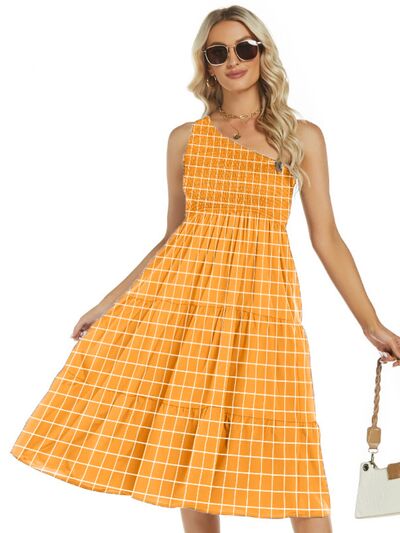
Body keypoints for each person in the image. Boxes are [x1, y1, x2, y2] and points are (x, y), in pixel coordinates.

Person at [10, 5, 400, 533]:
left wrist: (371, 324)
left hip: (262, 308)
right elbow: (173, 237)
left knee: (289, 447)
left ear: (263, 53)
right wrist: (108, 303)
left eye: (245, 47)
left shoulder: (301, 137)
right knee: (191, 451)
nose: (233, 59)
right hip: (186, 306)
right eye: (218, 52)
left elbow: (326, 237)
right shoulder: (185, 139)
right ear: (207, 65)